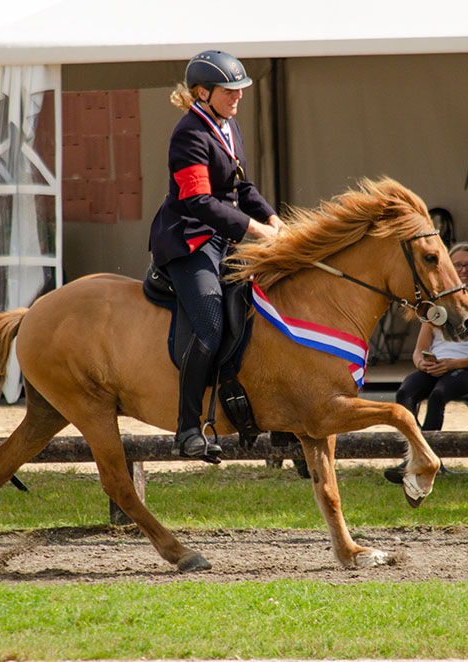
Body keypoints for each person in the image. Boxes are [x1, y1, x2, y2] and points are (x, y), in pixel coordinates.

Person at [149, 50, 282, 461]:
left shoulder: (227, 125)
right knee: (209, 324)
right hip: (189, 238)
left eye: (241, 89)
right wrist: (254, 229)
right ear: (203, 93)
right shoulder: (189, 133)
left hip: (225, 237)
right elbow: (199, 202)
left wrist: (274, 218)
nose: (239, 96)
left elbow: (242, 187)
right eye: (231, 90)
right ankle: (187, 427)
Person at [383, 243, 468, 484]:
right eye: (457, 265)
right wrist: (422, 363)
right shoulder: (438, 304)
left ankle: (426, 459)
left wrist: (452, 364)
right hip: (437, 366)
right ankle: (413, 455)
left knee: (439, 395)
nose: (464, 270)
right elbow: (419, 350)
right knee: (405, 392)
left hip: (466, 370)